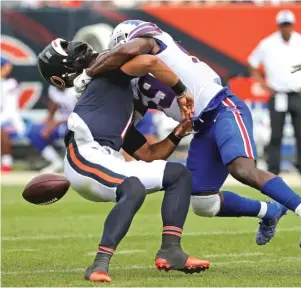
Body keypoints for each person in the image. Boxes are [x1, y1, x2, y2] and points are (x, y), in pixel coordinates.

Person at [74, 20, 301, 249]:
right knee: (203, 202)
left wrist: (89, 72)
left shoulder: (141, 40)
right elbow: (144, 150)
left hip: (221, 106)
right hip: (200, 126)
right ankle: (269, 211)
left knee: (242, 169)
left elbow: (132, 50)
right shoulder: (132, 83)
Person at [37, 38, 209, 282]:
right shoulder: (104, 76)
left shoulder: (109, 97)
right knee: (133, 187)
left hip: (107, 158)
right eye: (70, 49)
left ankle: (171, 251)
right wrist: (181, 91)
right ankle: (98, 264)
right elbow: (149, 60)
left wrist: (178, 132)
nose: (78, 46)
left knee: (178, 175)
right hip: (84, 154)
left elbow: (150, 155)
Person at [248, 10, 301, 187]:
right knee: (275, 136)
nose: (286, 28)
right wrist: (263, 84)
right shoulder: (268, 43)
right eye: (283, 25)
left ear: (293, 25)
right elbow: (252, 63)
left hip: (298, 93)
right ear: (279, 26)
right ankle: (272, 175)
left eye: (288, 24)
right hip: (278, 94)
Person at [28, 86, 77, 173]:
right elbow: (54, 105)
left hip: (76, 124)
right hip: (61, 122)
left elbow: (79, 114)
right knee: (34, 132)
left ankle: (78, 164)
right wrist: (49, 120)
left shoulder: (75, 90)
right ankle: (56, 162)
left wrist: (54, 124)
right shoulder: (53, 87)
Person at [0, 57, 26, 172]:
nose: (8, 68)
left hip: (12, 121)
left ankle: (7, 164)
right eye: (6, 66)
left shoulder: (11, 83)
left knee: (3, 131)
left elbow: (9, 110)